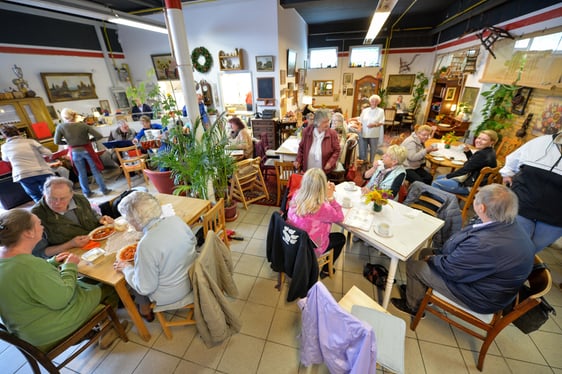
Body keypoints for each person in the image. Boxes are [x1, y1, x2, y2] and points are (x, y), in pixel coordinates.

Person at [391, 184, 534, 316]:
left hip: (479, 296)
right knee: (425, 252)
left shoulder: (485, 243)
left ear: (481, 208)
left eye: (476, 198)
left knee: (416, 266)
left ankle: (413, 307)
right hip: (488, 284)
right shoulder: (506, 223)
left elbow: (451, 270)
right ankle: (418, 291)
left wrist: (433, 259)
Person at [0, 209, 124, 351]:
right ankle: (107, 327)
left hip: (25, 331)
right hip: (50, 329)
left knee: (86, 282)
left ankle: (97, 324)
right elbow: (61, 299)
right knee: (109, 284)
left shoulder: (7, 258)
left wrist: (51, 263)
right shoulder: (28, 265)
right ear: (28, 233)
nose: (42, 227)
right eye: (39, 224)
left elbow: (25, 279)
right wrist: (70, 267)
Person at [113, 191, 197, 322]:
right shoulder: (175, 220)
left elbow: (145, 288)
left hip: (174, 293)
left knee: (132, 278)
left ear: (134, 220)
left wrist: (126, 268)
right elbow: (193, 242)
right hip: (194, 276)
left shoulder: (146, 245)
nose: (129, 223)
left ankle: (143, 310)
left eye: (128, 219)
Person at [500, 132, 562, 253]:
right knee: (509, 247)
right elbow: (512, 160)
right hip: (522, 205)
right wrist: (507, 174)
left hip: (555, 218)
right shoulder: (540, 142)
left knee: (529, 252)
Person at [287, 168, 346, 279]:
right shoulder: (322, 207)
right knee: (341, 238)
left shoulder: (297, 195)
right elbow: (340, 217)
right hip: (310, 250)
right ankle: (326, 270)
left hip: (293, 242)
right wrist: (330, 198)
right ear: (322, 187)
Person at [31, 177, 113, 256]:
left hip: (99, 245)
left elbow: (92, 213)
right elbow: (40, 253)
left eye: (63, 199)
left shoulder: (79, 199)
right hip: (72, 256)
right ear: (45, 195)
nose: (57, 203)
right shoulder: (35, 216)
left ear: (71, 195)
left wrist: (100, 219)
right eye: (52, 199)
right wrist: (70, 244)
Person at [55, 108, 111, 197]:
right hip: (87, 149)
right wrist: (90, 140)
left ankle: (87, 192)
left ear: (63, 117)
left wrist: (69, 143)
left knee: (81, 173)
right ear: (74, 115)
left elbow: (56, 141)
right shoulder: (83, 126)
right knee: (95, 171)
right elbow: (99, 136)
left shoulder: (60, 127)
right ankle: (104, 190)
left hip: (74, 151)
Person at [432, 129, 498, 195]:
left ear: (492, 142)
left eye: (484, 140)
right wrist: (468, 152)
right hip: (474, 180)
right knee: (439, 177)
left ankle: (442, 201)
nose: (479, 141)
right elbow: (474, 163)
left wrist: (448, 177)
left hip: (471, 186)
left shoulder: (482, 154)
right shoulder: (490, 151)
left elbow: (465, 169)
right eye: (479, 138)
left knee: (435, 183)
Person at [1, 124, 57, 202]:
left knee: (36, 196)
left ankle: (44, 212)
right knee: (50, 194)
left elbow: (5, 159)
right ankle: (58, 211)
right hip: (41, 171)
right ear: (18, 132)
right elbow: (48, 153)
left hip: (23, 174)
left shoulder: (4, 147)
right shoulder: (31, 142)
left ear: (4, 136)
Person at [294, 109, 341, 174]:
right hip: (308, 170)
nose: (327, 124)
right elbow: (301, 148)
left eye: (328, 121)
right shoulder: (306, 132)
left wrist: (330, 163)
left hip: (324, 171)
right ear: (317, 123)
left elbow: (337, 150)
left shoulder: (332, 134)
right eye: (324, 122)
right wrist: (298, 160)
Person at [359, 95, 385, 164]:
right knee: (364, 148)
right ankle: (364, 162)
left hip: (374, 133)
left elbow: (382, 122)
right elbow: (360, 120)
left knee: (373, 149)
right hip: (364, 132)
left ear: (378, 102)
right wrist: (359, 128)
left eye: (376, 101)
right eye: (372, 101)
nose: (374, 102)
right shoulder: (365, 110)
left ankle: (371, 162)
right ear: (370, 102)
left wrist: (374, 125)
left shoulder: (381, 111)